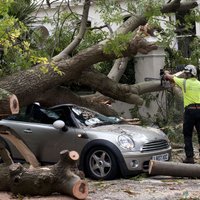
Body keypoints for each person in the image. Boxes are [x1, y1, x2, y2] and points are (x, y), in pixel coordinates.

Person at [164, 64, 200, 164]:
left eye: (186, 73)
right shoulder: (199, 83)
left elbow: (170, 78)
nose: (185, 75)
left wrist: (166, 73)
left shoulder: (184, 82)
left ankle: (190, 158)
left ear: (189, 74)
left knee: (187, 134)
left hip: (190, 111)